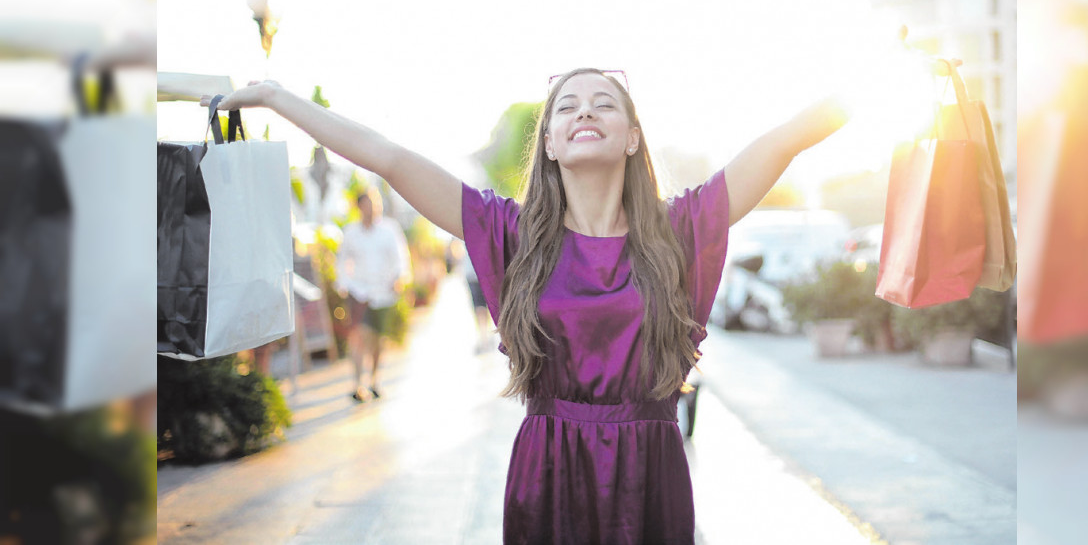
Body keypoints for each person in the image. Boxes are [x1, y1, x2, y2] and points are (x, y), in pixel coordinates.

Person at [203, 68, 847, 543]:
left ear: (630, 139)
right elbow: (392, 160)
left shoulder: (679, 230)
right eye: (565, 107)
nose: (583, 111)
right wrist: (277, 99)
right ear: (549, 143)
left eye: (604, 103)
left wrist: (875, 86)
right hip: (550, 463)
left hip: (652, 467)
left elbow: (785, 140)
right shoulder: (510, 234)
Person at [334, 189, 412, 402]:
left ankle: (375, 380)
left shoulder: (389, 230)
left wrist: (399, 279)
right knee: (359, 337)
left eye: (375, 204)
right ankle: (358, 384)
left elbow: (400, 259)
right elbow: (342, 261)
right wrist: (344, 284)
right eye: (368, 205)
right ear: (359, 207)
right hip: (359, 293)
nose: (373, 209)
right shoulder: (350, 232)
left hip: (383, 294)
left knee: (377, 341)